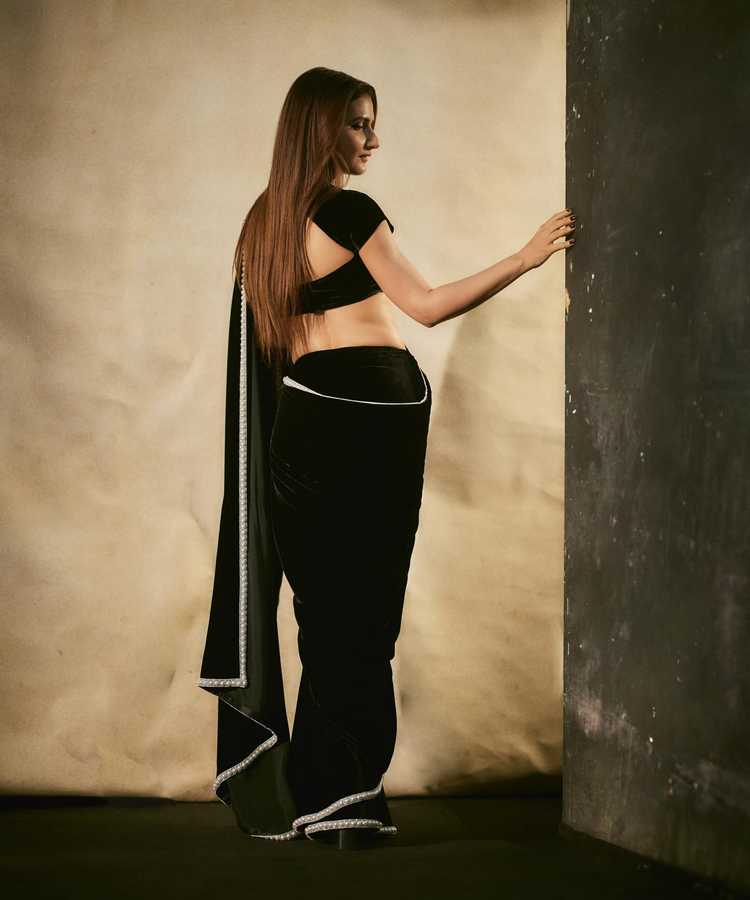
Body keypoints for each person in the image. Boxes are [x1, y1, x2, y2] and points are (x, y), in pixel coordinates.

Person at [197, 66, 575, 850]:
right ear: (319, 129)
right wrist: (524, 257)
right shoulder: (350, 212)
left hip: (299, 424)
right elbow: (426, 307)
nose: (373, 139)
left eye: (372, 122)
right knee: (365, 619)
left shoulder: (260, 226)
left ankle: (323, 795)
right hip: (368, 421)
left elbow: (268, 350)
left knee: (323, 612)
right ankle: (347, 797)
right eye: (357, 123)